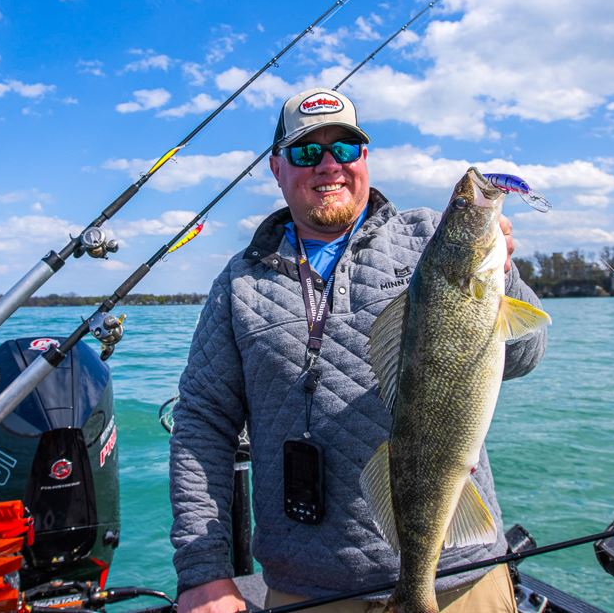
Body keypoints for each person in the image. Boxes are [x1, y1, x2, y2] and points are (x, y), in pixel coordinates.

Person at [169, 87, 547, 613]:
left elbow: (526, 355)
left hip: (462, 577)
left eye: (344, 148)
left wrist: (503, 273)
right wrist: (202, 571)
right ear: (277, 169)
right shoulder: (239, 284)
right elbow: (202, 424)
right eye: (306, 152)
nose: (329, 165)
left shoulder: (425, 239)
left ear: (364, 158)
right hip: (311, 591)